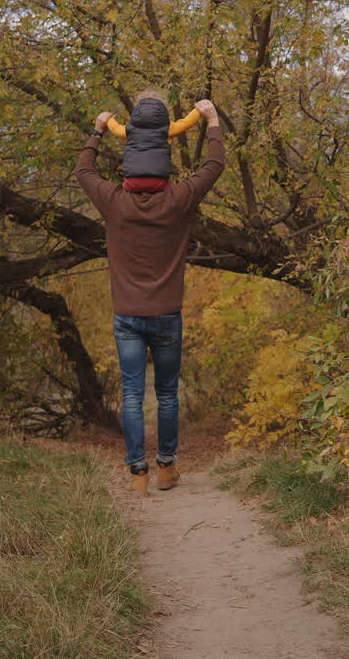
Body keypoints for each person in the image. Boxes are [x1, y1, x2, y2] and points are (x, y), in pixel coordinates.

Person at [74, 92, 224, 494]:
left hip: (127, 317)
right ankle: (166, 469)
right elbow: (214, 165)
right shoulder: (178, 200)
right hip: (166, 315)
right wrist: (210, 121)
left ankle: (137, 474)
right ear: (164, 161)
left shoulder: (114, 202)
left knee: (132, 395)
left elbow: (84, 170)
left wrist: (98, 129)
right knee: (168, 395)